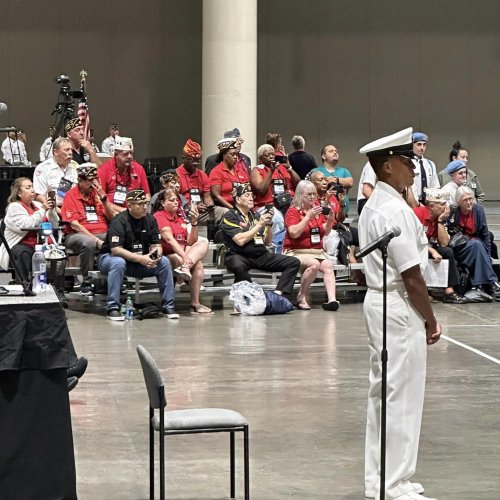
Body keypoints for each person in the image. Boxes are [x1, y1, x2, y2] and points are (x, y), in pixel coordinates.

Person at [358, 127, 441, 500]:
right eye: (406, 161)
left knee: (384, 394)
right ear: (388, 165)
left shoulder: (375, 205)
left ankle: (382, 480)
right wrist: (431, 319)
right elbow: (412, 276)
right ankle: (395, 484)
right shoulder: (392, 209)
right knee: (402, 395)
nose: (412, 167)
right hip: (397, 305)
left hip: (380, 301)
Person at [97, 189, 177, 321]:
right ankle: (113, 307)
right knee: (118, 262)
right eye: (139, 204)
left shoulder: (150, 219)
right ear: (129, 206)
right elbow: (116, 250)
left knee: (164, 262)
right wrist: (141, 258)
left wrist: (154, 257)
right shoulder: (119, 221)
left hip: (139, 261)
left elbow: (157, 245)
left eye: (145, 203)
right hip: (110, 258)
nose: (144, 207)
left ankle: (168, 306)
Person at [220, 183, 300, 296]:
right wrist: (259, 225)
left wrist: (268, 224)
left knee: (293, 262)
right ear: (238, 199)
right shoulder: (230, 215)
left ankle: (277, 294)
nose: (251, 198)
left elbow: (267, 242)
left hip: (260, 254)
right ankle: (249, 295)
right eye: (247, 195)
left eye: (252, 195)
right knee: (238, 266)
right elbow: (240, 241)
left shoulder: (255, 215)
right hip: (239, 254)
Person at [283, 180, 339, 311]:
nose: (313, 197)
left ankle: (332, 300)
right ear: (300, 195)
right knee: (314, 264)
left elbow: (325, 231)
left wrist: (331, 219)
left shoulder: (317, 211)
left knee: (328, 265)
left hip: (316, 251)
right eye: (309, 194)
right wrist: (308, 216)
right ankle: (301, 296)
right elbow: (294, 233)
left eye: (314, 194)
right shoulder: (293, 212)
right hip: (296, 251)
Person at [153, 188, 211, 313]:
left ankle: (195, 303)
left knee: (203, 244)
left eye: (177, 200)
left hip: (184, 254)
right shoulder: (159, 216)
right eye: (171, 200)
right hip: (168, 255)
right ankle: (185, 267)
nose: (176, 202)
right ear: (163, 203)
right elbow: (169, 240)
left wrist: (194, 223)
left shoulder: (180, 217)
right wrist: (186, 258)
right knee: (179, 258)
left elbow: (190, 242)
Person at [61, 163, 114, 295]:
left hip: (102, 232)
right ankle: (87, 280)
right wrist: (95, 239)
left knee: (117, 238)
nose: (92, 183)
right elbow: (74, 225)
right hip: (76, 235)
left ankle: (115, 278)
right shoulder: (71, 195)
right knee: (88, 243)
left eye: (94, 179)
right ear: (80, 180)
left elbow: (112, 217)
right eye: (89, 180)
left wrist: (104, 199)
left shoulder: (97, 194)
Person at [413, 188, 468, 304]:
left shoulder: (437, 218)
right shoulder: (417, 214)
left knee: (447, 251)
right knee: (422, 254)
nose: (445, 207)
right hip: (414, 248)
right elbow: (412, 241)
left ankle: (449, 290)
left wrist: (440, 221)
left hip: (428, 247)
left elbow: (444, 243)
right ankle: (423, 291)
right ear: (431, 206)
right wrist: (432, 251)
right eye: (442, 204)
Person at [0, 177, 58, 282]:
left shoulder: (38, 205)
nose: (33, 190)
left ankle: (53, 285)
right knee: (23, 252)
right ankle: (23, 283)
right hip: (20, 244)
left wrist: (52, 210)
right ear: (19, 193)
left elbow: (54, 224)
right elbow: (26, 224)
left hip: (42, 244)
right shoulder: (14, 207)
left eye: (32, 187)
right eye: (28, 187)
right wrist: (43, 210)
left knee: (57, 253)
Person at [446, 186, 500, 298]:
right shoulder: (452, 211)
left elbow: (485, 234)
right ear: (458, 202)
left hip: (476, 244)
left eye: (470, 199)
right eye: (465, 200)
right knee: (477, 245)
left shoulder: (478, 210)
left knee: (480, 245)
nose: (469, 202)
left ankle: (482, 285)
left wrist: (488, 255)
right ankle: (491, 282)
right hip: (459, 245)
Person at [250, 143, 300, 249]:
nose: (272, 157)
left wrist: (289, 168)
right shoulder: (257, 170)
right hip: (266, 206)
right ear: (261, 159)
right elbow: (261, 190)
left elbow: (299, 184)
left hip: (286, 204)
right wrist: (271, 171)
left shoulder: (282, 168)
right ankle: (275, 248)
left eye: (273, 154)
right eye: (268, 155)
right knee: (276, 219)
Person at [175, 139, 227, 224]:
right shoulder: (176, 175)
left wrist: (209, 205)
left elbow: (207, 196)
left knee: (225, 212)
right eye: (192, 160)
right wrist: (191, 207)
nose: (195, 163)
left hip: (200, 211)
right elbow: (174, 202)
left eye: (198, 160)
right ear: (184, 159)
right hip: (183, 211)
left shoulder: (202, 175)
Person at [98, 136, 150, 216]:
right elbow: (100, 198)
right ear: (116, 154)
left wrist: (140, 207)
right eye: (125, 154)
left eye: (131, 153)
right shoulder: (104, 170)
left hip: (136, 213)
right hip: (112, 213)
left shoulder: (138, 168)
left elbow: (147, 195)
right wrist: (125, 211)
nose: (129, 156)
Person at [33, 137, 79, 212]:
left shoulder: (75, 166)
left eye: (71, 150)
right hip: (52, 209)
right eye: (67, 150)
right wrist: (57, 210)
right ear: (55, 152)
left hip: (74, 208)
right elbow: (39, 195)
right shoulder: (43, 168)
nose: (70, 153)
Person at [309, 144, 354, 213]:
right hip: (321, 211)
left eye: (336, 151)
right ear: (323, 156)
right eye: (331, 151)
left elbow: (350, 182)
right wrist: (326, 182)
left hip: (342, 211)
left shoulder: (344, 171)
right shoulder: (315, 171)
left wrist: (336, 180)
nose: (335, 152)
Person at [209, 138, 250, 209]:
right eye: (232, 154)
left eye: (236, 154)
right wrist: (233, 209)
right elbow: (216, 196)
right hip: (225, 207)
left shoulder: (240, 171)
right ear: (224, 155)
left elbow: (247, 189)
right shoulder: (216, 172)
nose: (235, 157)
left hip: (242, 206)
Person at [407, 132, 440, 207]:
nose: (422, 148)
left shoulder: (430, 164)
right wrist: (418, 204)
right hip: (413, 203)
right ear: (412, 145)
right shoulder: (408, 163)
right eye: (419, 144)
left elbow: (435, 186)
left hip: (429, 204)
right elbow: (409, 187)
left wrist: (433, 204)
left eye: (424, 145)